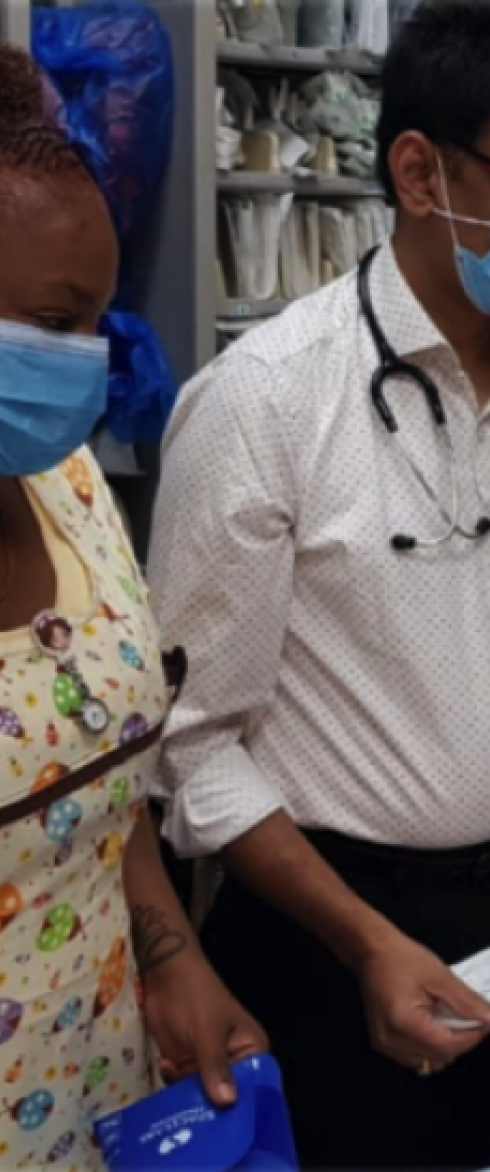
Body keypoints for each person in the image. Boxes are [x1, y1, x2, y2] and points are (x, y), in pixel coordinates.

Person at [148, 4, 490, 1167]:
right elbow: (195, 743)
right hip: (332, 924)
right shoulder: (266, 401)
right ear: (420, 171)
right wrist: (364, 937)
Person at [0, 44, 265, 1167]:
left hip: (97, 1075)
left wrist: (170, 955)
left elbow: (102, 773)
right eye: (49, 322)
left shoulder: (68, 487)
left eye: (91, 329)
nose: (79, 366)